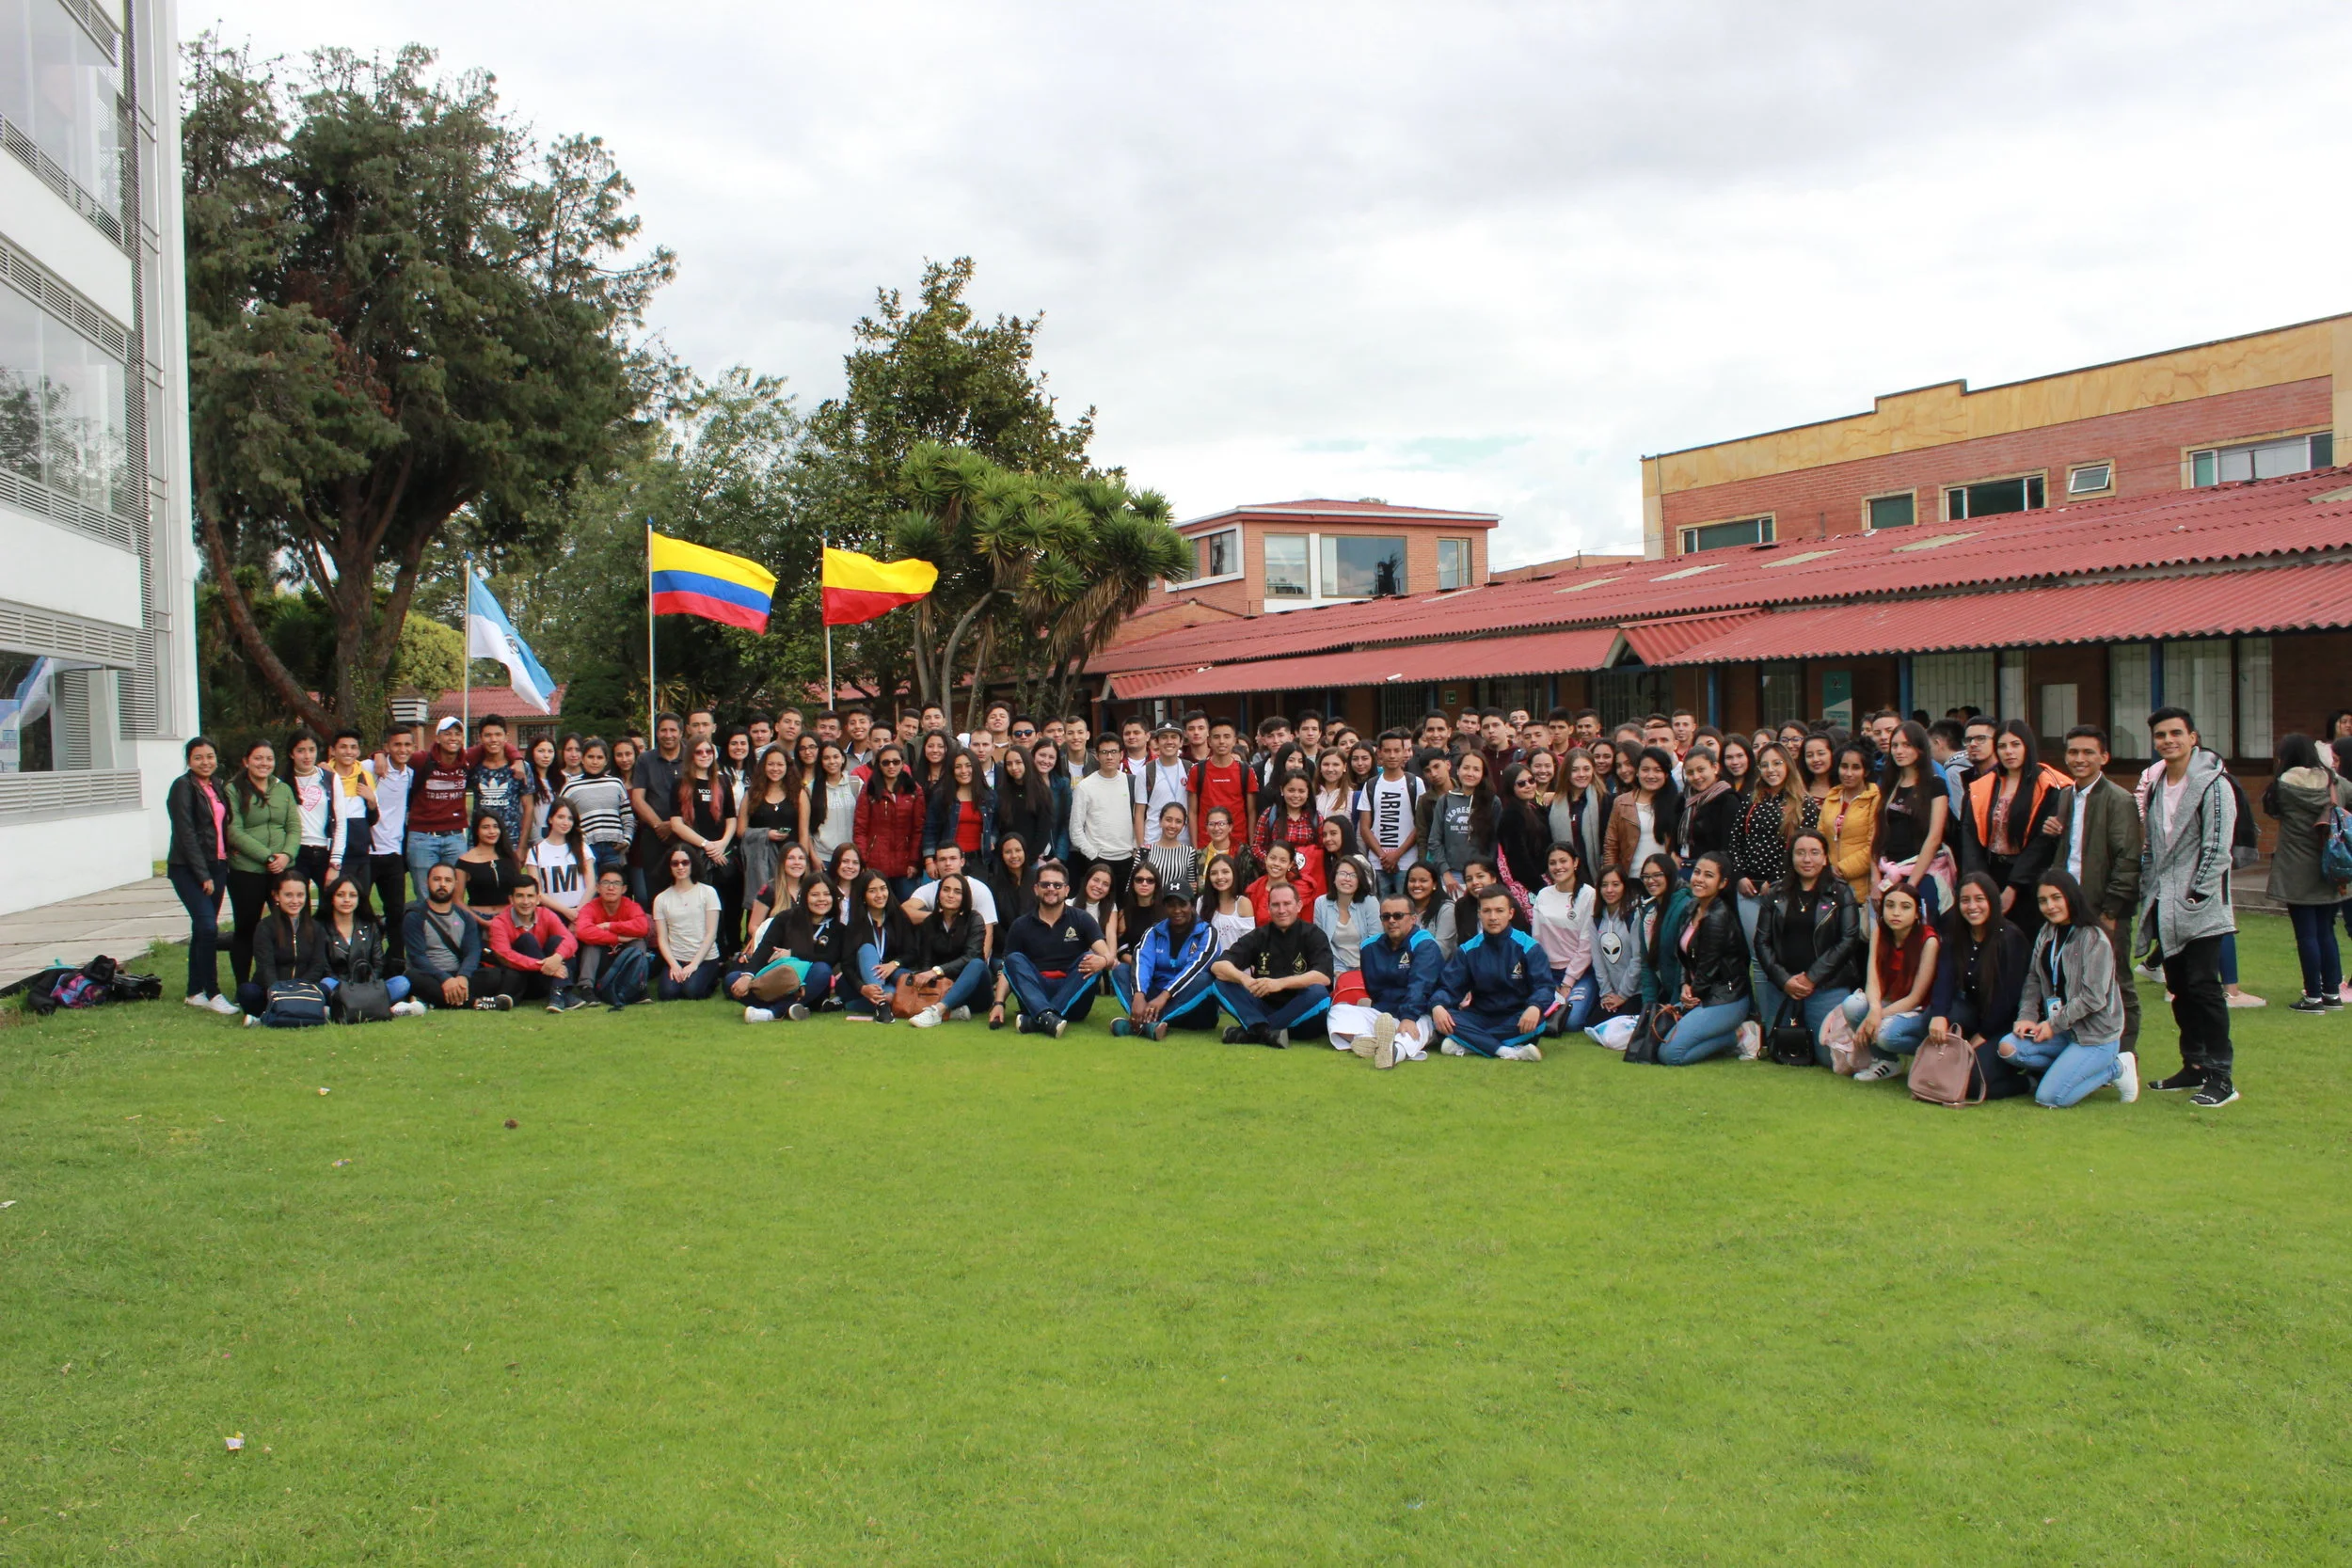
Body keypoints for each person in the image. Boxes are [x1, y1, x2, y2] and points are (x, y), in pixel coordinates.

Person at [2132, 707, 2244, 1104]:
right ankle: (2193, 1065)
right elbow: (2152, 844)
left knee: (2204, 987)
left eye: (2176, 733)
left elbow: (2218, 846)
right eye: (2160, 735)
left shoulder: (2214, 784)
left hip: (2202, 906)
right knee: (2178, 987)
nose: (2168, 741)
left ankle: (2221, 1077)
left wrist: (2198, 892)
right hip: (2165, 903)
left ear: (2193, 737)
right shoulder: (2156, 784)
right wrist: (2149, 886)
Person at [1998, 871, 2141, 1107]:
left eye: (2056, 898)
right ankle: (2067, 1071)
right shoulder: (2047, 932)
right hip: (2062, 1031)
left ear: (2071, 897)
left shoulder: (2094, 938)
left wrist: (2052, 1025)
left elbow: (2093, 997)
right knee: (2008, 1048)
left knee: (2049, 1098)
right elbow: (2034, 978)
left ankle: (2117, 1068)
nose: (2050, 906)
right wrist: (2027, 1017)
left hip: (2094, 1035)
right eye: (2043, 901)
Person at [2045, 725, 2145, 1050]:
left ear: (2104, 757)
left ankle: (2125, 1053)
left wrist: (2112, 911)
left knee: (2116, 980)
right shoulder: (2065, 796)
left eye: (2088, 752)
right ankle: (2080, 1048)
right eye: (2073, 752)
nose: (2080, 758)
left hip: (2104, 906)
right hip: (2066, 905)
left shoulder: (2119, 799)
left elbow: (2128, 859)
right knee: (2071, 978)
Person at [1752, 830, 1865, 1061]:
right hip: (1784, 984)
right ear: (1791, 857)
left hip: (1827, 984)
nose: (1807, 859)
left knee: (1827, 1057)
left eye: (1814, 853)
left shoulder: (1841, 893)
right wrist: (1784, 980)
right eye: (1800, 853)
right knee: (1783, 1050)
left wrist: (1811, 978)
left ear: (1825, 858)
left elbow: (1848, 940)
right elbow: (1761, 941)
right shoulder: (1775, 893)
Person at [2263, 733, 2352, 1011]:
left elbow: (2271, 809)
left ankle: (2313, 996)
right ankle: (2332, 994)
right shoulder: (2336, 783)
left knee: (2306, 935)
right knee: (2326, 931)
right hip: (2330, 867)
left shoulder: (2281, 787)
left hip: (2295, 869)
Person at [1925, 872, 2033, 1100]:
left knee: (1972, 1085)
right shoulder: (1957, 933)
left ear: (1992, 901)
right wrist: (1939, 1015)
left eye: (1979, 899)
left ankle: (2028, 1081)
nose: (1972, 906)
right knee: (1937, 1016)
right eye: (1965, 900)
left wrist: (1982, 1036)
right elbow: (1944, 977)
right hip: (1974, 1014)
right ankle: (1937, 1061)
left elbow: (2008, 999)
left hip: (2005, 1025)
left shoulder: (2010, 938)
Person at [1645, 852, 1754, 1065]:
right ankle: (1727, 1034)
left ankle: (1739, 1035)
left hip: (1724, 998)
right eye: (1697, 872)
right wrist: (1685, 984)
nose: (1699, 879)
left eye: (1708, 875)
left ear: (1722, 883)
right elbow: (1685, 958)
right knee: (1656, 1040)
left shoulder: (1718, 918)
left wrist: (1691, 995)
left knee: (1670, 1054)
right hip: (1698, 993)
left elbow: (1707, 969)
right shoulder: (1691, 907)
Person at [1431, 885, 1554, 1060]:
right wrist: (1438, 1005)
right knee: (1444, 1017)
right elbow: (1449, 987)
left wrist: (1535, 1006)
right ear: (1479, 914)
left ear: (1510, 913)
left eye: (1499, 910)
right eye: (1487, 911)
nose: (1493, 917)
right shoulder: (1468, 949)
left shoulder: (1529, 947)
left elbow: (1545, 987)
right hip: (1480, 1016)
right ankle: (1506, 1051)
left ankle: (1470, 1043)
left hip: (1517, 1017)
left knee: (1538, 1020)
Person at [1836, 880, 1940, 1081]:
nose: (1896, 913)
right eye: (1890, 905)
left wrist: (1876, 1016)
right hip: (1888, 1002)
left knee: (1885, 1034)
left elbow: (1916, 997)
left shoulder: (1929, 941)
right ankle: (1886, 1061)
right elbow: (1872, 981)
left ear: (1917, 913)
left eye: (1905, 907)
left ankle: (1930, 1054)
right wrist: (1874, 1010)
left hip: (1918, 1009)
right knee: (1852, 1005)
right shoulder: (1879, 933)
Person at [993, 861, 1112, 1036]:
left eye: (1057, 885)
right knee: (1013, 960)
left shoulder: (1082, 919)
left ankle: (1040, 1018)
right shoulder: (1020, 925)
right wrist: (999, 1003)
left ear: (1066, 890)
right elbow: (1008, 970)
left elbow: (1108, 956)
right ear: (1036, 889)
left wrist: (1102, 961)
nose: (1051, 889)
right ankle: (1047, 1017)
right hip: (1035, 993)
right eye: (1045, 884)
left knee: (1090, 959)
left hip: (1073, 996)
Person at [167, 736, 241, 1015]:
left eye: (210, 756)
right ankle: (213, 992)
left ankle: (194, 992)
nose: (205, 762)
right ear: (189, 761)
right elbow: (185, 833)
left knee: (202, 929)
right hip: (188, 868)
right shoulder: (182, 787)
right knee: (209, 928)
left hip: (218, 865)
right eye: (198, 757)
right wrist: (202, 874)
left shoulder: (217, 786)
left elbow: (222, 826)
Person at [1212, 880, 1334, 1048]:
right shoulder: (1259, 935)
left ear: (1299, 906)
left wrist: (1279, 983)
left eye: (1287, 904)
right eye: (1275, 905)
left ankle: (1253, 1031)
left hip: (1301, 1012)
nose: (1281, 910)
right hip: (1263, 1007)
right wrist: (1245, 980)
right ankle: (1267, 1032)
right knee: (1220, 983)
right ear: (1268, 908)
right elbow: (1218, 966)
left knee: (1318, 993)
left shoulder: (1314, 935)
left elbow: (1323, 977)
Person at [1327, 893, 1443, 1066]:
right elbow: (1373, 990)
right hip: (1384, 1015)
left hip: (1419, 1013)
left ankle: (1393, 1052)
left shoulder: (1425, 944)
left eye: (1398, 916)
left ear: (1413, 919)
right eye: (1386, 916)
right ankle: (1371, 1041)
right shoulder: (1369, 947)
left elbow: (1421, 985)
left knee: (1412, 1032)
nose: (1391, 921)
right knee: (1338, 1011)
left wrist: (1409, 1017)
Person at [224, 738, 299, 990]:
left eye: (269, 759)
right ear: (246, 761)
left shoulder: (283, 789)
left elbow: (294, 827)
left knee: (285, 927)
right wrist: (267, 857)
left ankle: (284, 981)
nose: (264, 763)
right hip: (247, 870)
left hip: (282, 869)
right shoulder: (233, 789)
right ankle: (244, 986)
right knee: (246, 928)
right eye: (258, 758)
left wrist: (286, 855)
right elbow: (233, 831)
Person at [1113, 888, 1222, 1039]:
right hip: (1155, 1001)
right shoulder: (1154, 931)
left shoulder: (1207, 932)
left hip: (1194, 1010)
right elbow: (1142, 961)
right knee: (1121, 970)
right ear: (1164, 907)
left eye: (1182, 904)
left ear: (1192, 905)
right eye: (1171, 905)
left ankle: (1143, 1023)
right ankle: (1145, 1022)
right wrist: (1139, 994)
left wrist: (1164, 996)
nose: (1177, 910)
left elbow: (1196, 968)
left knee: (1204, 979)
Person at [733, 877, 844, 1022]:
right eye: (815, 895)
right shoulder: (786, 918)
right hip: (778, 979)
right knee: (732, 980)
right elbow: (764, 949)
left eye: (827, 894)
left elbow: (829, 958)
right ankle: (792, 1007)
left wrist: (791, 953)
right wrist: (747, 977)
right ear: (804, 897)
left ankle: (773, 1013)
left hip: (809, 982)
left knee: (822, 969)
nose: (821, 899)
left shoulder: (838, 929)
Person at [899, 872, 991, 1028]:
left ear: (965, 897)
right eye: (946, 890)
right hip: (941, 988)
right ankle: (951, 1012)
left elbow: (971, 956)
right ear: (939, 894)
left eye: (957, 891)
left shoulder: (975, 919)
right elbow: (926, 961)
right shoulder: (930, 922)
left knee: (977, 964)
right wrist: (929, 975)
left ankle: (937, 1011)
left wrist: (937, 971)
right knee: (904, 974)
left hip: (973, 990)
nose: (950, 895)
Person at [319, 874, 419, 1015]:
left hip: (369, 986)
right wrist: (347, 989)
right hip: (340, 988)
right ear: (332, 898)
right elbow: (325, 968)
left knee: (402, 983)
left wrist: (368, 986)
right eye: (340, 895)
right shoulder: (321, 929)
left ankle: (350, 1008)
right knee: (327, 983)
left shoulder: (370, 926)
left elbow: (378, 963)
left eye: (352, 895)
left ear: (359, 899)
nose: (347, 900)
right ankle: (378, 1008)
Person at [235, 871, 328, 1021]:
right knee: (247, 992)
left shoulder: (316, 928)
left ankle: (280, 1014)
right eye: (288, 895)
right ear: (277, 896)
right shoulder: (265, 927)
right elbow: (265, 966)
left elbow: (318, 965)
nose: (295, 901)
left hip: (304, 989)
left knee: (326, 988)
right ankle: (291, 1011)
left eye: (300, 895)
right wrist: (280, 992)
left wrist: (298, 988)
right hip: (271, 990)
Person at [403, 863, 497, 1009]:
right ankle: (476, 1003)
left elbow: (472, 951)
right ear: (427, 882)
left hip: (458, 974)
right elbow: (417, 957)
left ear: (455, 884)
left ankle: (434, 1000)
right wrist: (445, 979)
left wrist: (463, 976)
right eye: (437, 879)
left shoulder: (465, 917)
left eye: (448, 880)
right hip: (430, 975)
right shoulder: (414, 916)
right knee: (412, 977)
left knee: (494, 975)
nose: (442, 884)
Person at [483, 879, 587, 1011]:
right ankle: (562, 992)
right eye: (520, 896)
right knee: (526, 939)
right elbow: (505, 955)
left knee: (557, 941)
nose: (525, 901)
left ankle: (558, 993)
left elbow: (570, 940)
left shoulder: (546, 914)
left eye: (530, 896)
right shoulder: (499, 922)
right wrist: (544, 965)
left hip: (548, 975)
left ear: (538, 899)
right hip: (526, 981)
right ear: (511, 899)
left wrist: (557, 958)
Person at [1531, 843, 1598, 1036]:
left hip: (1580, 973)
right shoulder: (1543, 894)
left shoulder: (1588, 895)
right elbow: (1537, 939)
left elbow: (1586, 944)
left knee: (1571, 1021)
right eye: (1552, 863)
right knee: (1536, 1011)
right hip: (1549, 973)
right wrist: (1544, 977)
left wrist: (1568, 983)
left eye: (1563, 861)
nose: (1558, 867)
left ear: (1575, 863)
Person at [365, 725, 417, 961]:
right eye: (397, 745)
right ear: (387, 747)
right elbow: (339, 766)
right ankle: (365, 959)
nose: (402, 749)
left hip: (393, 853)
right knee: (360, 909)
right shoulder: (370, 767)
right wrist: (376, 756)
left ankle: (395, 962)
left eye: (407, 745)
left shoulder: (411, 775)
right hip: (367, 852)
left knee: (396, 912)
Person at [1068, 734, 1137, 902]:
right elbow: (1075, 829)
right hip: (1098, 860)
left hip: (1128, 859)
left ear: (1121, 754)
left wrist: (1135, 848)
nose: (1109, 757)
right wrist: (1093, 854)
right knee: (1097, 908)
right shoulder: (1085, 786)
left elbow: (1139, 819)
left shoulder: (1132, 782)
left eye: (1113, 752)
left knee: (1124, 907)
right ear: (1097, 756)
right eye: (1104, 752)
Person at [840, 871, 917, 1022]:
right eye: (872, 891)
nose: (880, 895)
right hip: (862, 982)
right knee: (867, 949)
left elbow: (913, 953)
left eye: (883, 889)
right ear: (863, 896)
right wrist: (863, 988)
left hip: (890, 980)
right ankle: (882, 1005)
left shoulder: (899, 918)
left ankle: (847, 1005)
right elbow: (847, 965)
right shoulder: (856, 924)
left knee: (893, 994)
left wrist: (894, 964)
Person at [652, 844, 723, 1001]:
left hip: (705, 958)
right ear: (669, 866)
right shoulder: (661, 899)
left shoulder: (708, 892)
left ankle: (712, 979)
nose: (680, 867)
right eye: (675, 863)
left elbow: (711, 933)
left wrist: (694, 964)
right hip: (677, 957)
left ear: (693, 864)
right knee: (667, 994)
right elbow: (662, 938)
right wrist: (673, 965)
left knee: (692, 991)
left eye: (685, 862)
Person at [629, 713, 687, 905]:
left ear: (681, 732)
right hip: (654, 837)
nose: (668, 735)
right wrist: (658, 826)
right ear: (657, 733)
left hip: (687, 835)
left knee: (686, 891)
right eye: (663, 730)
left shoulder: (691, 756)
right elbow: (638, 799)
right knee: (656, 896)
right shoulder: (645, 760)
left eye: (673, 730)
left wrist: (675, 825)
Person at [853, 743, 926, 895]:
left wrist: (914, 861)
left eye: (896, 762)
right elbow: (860, 829)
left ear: (902, 763)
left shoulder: (914, 790)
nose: (891, 766)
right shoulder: (869, 789)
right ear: (879, 765)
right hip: (875, 863)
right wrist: (864, 861)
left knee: (907, 906)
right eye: (886, 762)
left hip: (906, 865)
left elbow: (918, 829)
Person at [1425, 749, 1499, 896]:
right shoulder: (1445, 800)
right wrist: (1445, 872)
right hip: (1452, 875)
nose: (1470, 773)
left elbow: (1495, 842)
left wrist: (1486, 872)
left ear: (1483, 773)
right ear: (1458, 770)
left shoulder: (1492, 802)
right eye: (1466, 768)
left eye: (1476, 769)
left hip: (1481, 875)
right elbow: (1434, 840)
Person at [1585, 864, 1646, 1037]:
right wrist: (1607, 994)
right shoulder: (1596, 920)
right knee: (1592, 1023)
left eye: (1615, 884)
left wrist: (1623, 995)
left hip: (1635, 991)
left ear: (1624, 886)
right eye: (1604, 885)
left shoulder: (1634, 916)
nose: (1609, 890)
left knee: (1620, 1024)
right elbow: (1598, 961)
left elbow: (1637, 959)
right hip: (1611, 992)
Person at [573, 866, 651, 1003]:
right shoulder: (590, 907)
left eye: (616, 883)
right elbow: (582, 931)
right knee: (591, 944)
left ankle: (639, 986)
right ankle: (586, 988)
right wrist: (618, 938)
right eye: (606, 883)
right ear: (598, 888)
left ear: (624, 889)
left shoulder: (631, 906)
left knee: (638, 942)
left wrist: (609, 926)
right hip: (600, 960)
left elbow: (643, 927)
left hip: (623, 958)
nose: (611, 888)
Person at [737, 745, 798, 916]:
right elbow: (741, 830)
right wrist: (765, 834)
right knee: (762, 909)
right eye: (771, 764)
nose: (775, 769)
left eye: (780, 764)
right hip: (760, 864)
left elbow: (804, 831)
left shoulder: (798, 793)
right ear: (763, 767)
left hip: (791, 861)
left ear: (787, 767)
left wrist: (805, 861)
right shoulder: (752, 794)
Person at [1821, 743, 1883, 904]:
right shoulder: (1832, 797)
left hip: (1860, 887)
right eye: (1844, 767)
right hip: (1828, 883)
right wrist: (1826, 866)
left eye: (1856, 767)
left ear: (1866, 771)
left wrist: (1840, 869)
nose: (1848, 773)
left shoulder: (1875, 799)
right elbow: (1820, 837)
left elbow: (1873, 845)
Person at [1603, 747, 1678, 877]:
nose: (1650, 776)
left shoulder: (1676, 803)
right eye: (1645, 770)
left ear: (1666, 774)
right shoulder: (1621, 803)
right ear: (1637, 772)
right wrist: (1610, 877)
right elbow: (1611, 846)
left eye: (1657, 770)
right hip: (1631, 877)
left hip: (1664, 879)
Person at [922, 748, 996, 879]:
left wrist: (991, 840)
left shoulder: (989, 797)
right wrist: (929, 860)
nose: (963, 771)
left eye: (968, 766)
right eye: (958, 767)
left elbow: (996, 825)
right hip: (949, 861)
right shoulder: (941, 797)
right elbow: (930, 830)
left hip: (979, 861)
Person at [323, 728, 377, 894]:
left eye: (353, 747)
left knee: (361, 899)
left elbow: (372, 819)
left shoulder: (365, 776)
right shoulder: (324, 776)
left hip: (360, 852)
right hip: (334, 854)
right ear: (333, 751)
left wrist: (372, 801)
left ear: (358, 751)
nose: (349, 752)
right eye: (343, 747)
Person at [1312, 855, 1381, 986]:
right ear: (1334, 878)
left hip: (1367, 968)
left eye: (1353, 875)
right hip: (1335, 970)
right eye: (1342, 873)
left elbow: (1375, 942)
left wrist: (1362, 970)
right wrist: (1336, 971)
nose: (1347, 879)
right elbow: (1321, 944)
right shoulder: (1321, 903)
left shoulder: (1370, 902)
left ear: (1359, 880)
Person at [1186, 720, 1254, 850]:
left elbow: (1252, 813)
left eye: (1227, 736)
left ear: (1234, 741)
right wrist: (1195, 848)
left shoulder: (1246, 771)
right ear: (1209, 741)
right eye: (1216, 737)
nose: (1222, 741)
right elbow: (1192, 812)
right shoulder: (1197, 770)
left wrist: (1251, 846)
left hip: (1238, 845)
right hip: (1206, 845)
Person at [281, 732, 334, 893]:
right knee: (297, 902)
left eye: (312, 750)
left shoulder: (329, 778)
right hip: (296, 851)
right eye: (301, 750)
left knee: (330, 901)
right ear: (291, 754)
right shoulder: (282, 783)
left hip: (324, 850)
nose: (307, 756)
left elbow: (340, 821)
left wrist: (336, 862)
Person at [455, 811, 527, 928]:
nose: (492, 831)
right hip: (478, 918)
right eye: (485, 827)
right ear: (477, 830)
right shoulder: (464, 862)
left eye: (495, 826)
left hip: (509, 918)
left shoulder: (510, 858)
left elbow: (520, 890)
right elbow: (457, 901)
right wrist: (482, 922)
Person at [525, 800, 593, 924]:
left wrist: (578, 914)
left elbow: (591, 886)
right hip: (551, 916)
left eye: (570, 818)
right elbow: (537, 891)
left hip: (581, 914)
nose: (566, 823)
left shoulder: (583, 848)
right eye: (560, 817)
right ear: (550, 819)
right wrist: (566, 912)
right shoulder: (535, 852)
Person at [1199, 853, 1255, 952]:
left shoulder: (1243, 903)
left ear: (1234, 874)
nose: (1220, 877)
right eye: (1214, 873)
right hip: (1206, 960)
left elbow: (1249, 944)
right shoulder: (1202, 902)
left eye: (1225, 872)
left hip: (1235, 960)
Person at [1146, 802, 1197, 903]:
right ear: (1160, 821)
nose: (1173, 825)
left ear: (1184, 825)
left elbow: (1191, 890)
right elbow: (1133, 883)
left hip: (1175, 907)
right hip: (1149, 907)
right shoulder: (1145, 851)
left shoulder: (1189, 853)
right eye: (1168, 820)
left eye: (1178, 821)